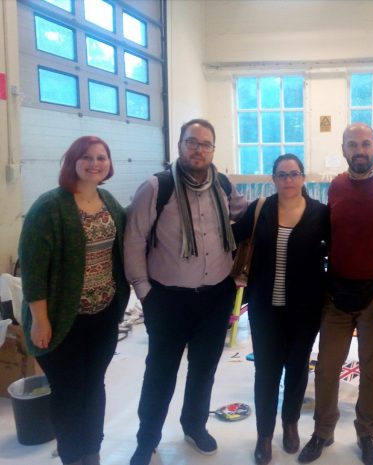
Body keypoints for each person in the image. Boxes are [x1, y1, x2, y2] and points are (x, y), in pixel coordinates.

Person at [124, 119, 247, 465]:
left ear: (213, 150)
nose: (198, 150)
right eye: (192, 142)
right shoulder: (156, 187)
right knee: (160, 373)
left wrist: (286, 201)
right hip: (168, 300)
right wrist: (144, 291)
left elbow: (246, 213)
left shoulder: (222, 184)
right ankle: (147, 439)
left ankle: (194, 425)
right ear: (179, 145)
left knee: (203, 370)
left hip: (215, 297)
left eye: (206, 144)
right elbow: (133, 240)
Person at [298, 123, 373, 465]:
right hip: (337, 292)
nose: (359, 150)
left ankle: (366, 434)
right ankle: (322, 431)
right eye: (352, 144)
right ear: (344, 149)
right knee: (326, 368)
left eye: (365, 144)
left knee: (372, 369)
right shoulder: (336, 186)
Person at [19, 136, 130, 465]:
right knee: (68, 391)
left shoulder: (109, 202)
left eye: (101, 157)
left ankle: (91, 452)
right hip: (60, 321)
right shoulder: (49, 207)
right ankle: (71, 455)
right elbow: (33, 270)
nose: (95, 163)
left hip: (103, 316)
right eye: (87, 157)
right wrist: (40, 320)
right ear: (72, 161)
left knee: (93, 386)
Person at [233, 154, 329, 465]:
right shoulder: (260, 209)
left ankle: (290, 424)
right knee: (266, 371)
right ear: (273, 179)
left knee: (298, 369)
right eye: (282, 174)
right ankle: (264, 434)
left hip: (305, 310)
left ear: (303, 178)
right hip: (265, 308)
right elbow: (230, 238)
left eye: (294, 174)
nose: (288, 180)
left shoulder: (320, 213)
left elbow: (338, 252)